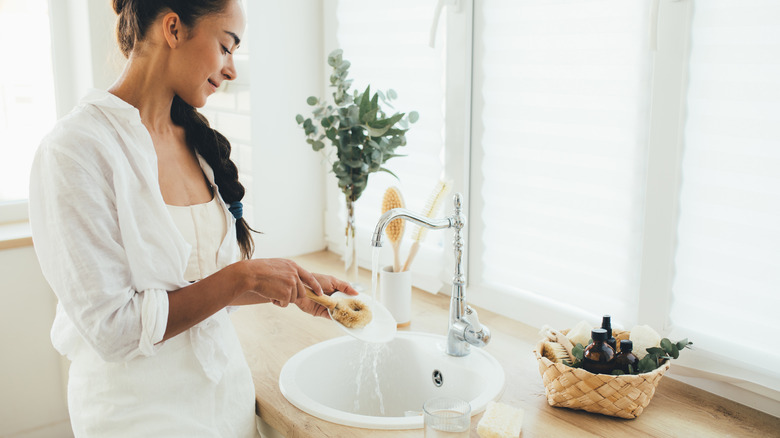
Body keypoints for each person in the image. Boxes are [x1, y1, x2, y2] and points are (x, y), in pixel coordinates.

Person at [28, 1, 357, 436]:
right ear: (173, 28)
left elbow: (198, 284)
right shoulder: (76, 150)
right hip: (135, 413)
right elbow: (114, 329)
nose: (231, 69)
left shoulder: (194, 141)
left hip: (224, 397)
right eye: (226, 47)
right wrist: (244, 278)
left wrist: (293, 287)